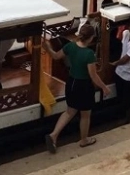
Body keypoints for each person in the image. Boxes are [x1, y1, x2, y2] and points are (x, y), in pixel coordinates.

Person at [43, 24, 111, 153]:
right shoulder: (89, 54)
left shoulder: (70, 46)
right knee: (85, 114)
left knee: (70, 111)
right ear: (91, 38)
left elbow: (56, 56)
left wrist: (47, 48)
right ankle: (84, 140)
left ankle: (53, 135)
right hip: (83, 85)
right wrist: (104, 87)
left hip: (71, 82)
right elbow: (93, 75)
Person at [109, 15, 130, 124]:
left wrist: (113, 63)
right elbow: (118, 39)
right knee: (120, 96)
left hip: (129, 75)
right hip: (119, 72)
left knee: (127, 99)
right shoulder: (126, 33)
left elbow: (126, 59)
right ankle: (123, 116)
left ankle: (129, 118)